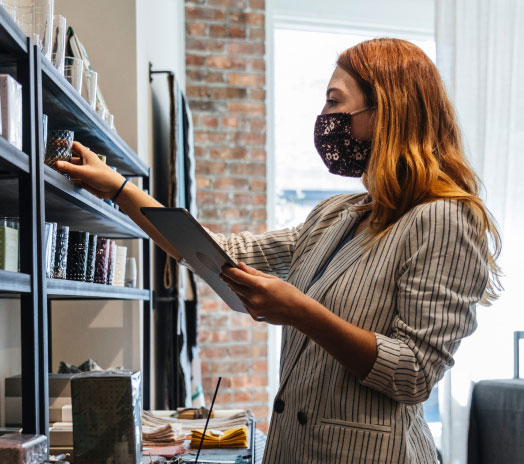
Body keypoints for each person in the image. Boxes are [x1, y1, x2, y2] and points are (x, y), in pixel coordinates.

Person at [57, 38, 501, 463]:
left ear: (388, 112)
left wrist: (301, 312)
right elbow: (220, 251)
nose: (324, 118)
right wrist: (117, 188)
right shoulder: (337, 213)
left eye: (334, 101)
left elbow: (415, 374)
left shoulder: (445, 218)